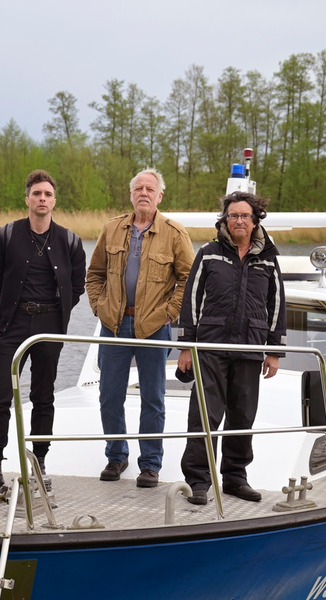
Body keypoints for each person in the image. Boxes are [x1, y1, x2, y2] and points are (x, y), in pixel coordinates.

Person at [0, 170, 86, 496]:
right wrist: (12, 306)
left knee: (43, 397)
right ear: (27, 199)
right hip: (14, 323)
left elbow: (77, 287)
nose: (42, 199)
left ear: (54, 200)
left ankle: (39, 465)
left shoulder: (70, 241)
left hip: (49, 327)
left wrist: (56, 313)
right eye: (36, 194)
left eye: (47, 194)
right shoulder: (7, 235)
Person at [86, 168, 194, 488]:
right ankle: (116, 456)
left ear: (160, 196)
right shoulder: (112, 229)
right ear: (131, 194)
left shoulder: (174, 232)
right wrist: (99, 307)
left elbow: (188, 279)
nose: (144, 193)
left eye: (150, 188)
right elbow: (95, 275)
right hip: (115, 325)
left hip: (154, 328)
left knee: (153, 397)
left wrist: (168, 314)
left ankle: (150, 464)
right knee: (109, 395)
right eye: (138, 188)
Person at [176, 190, 286, 505]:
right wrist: (186, 345)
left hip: (251, 347)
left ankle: (235, 479)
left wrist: (274, 350)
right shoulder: (209, 252)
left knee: (242, 417)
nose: (238, 220)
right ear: (225, 220)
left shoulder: (268, 257)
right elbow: (192, 299)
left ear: (255, 221)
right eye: (233, 215)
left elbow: (277, 303)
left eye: (244, 216)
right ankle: (198, 482)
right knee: (204, 417)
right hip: (210, 347)